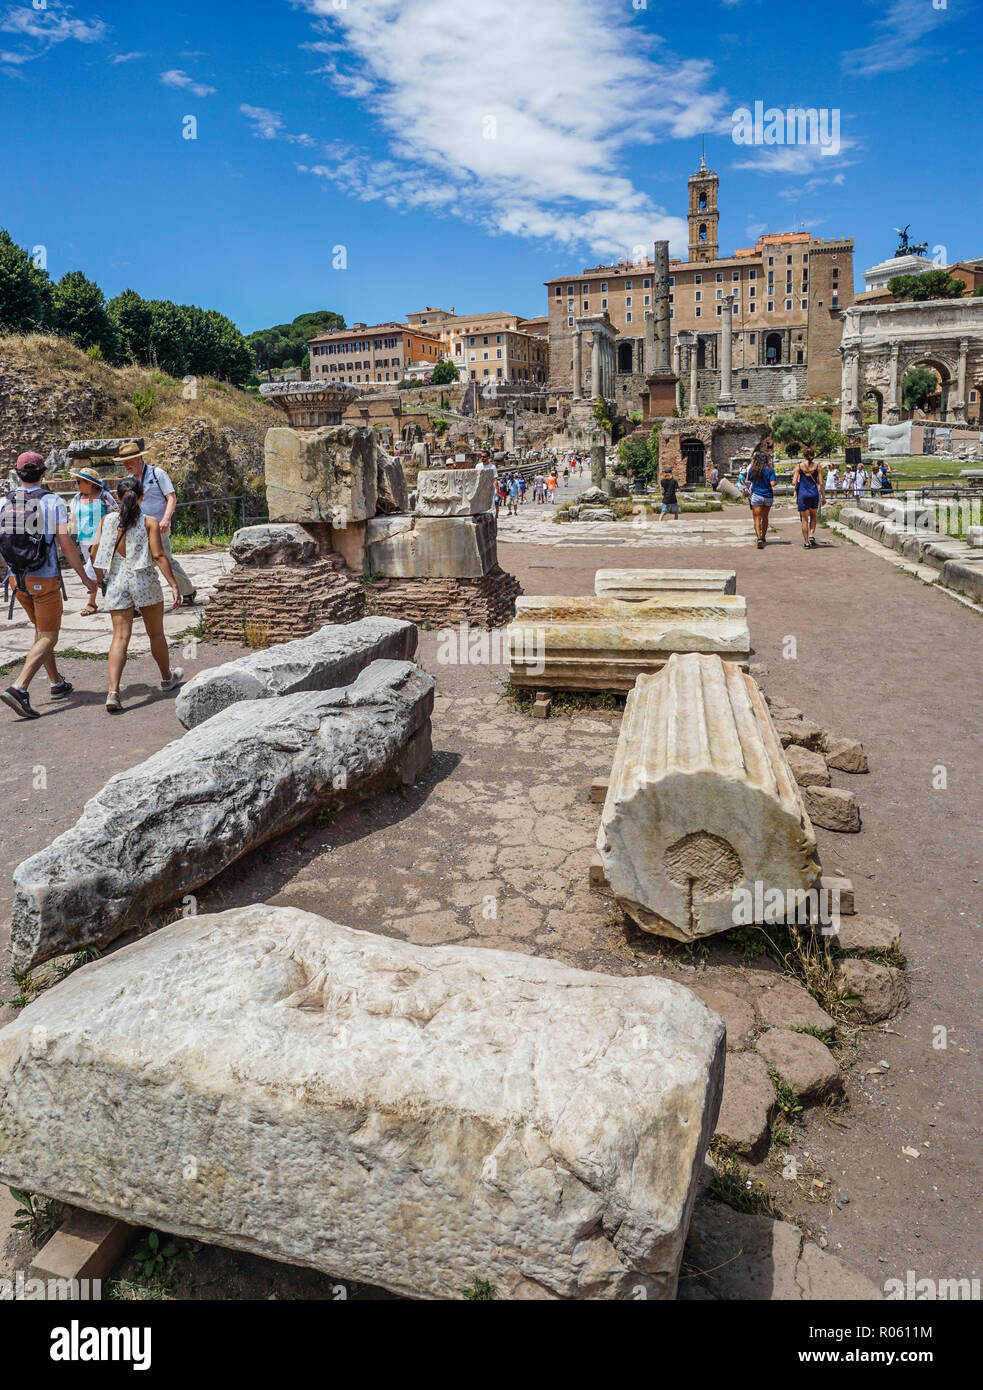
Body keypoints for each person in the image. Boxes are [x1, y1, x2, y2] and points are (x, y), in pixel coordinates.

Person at [1, 451, 98, 720]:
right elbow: (65, 544)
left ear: (18, 474)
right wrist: (84, 577)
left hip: (15, 579)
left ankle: (56, 682)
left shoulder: (3, 501)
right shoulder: (52, 501)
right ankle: (19, 688)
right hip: (43, 578)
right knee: (50, 635)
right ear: (44, 474)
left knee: (41, 631)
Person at [91, 475, 184, 713]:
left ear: (118, 497)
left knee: (120, 637)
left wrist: (101, 578)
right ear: (141, 497)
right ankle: (166, 678)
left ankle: (113, 692)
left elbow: (94, 551)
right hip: (143, 581)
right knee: (155, 634)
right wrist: (174, 584)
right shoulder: (149, 522)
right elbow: (159, 556)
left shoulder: (107, 520)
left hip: (118, 583)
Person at [117, 441, 196, 606]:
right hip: (139, 527)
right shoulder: (130, 481)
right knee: (138, 561)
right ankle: (139, 599)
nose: (126, 465)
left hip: (159, 526)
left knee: (165, 559)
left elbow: (171, 498)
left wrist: (166, 519)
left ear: (138, 458)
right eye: (123, 462)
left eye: (129, 461)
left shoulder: (157, 474)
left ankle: (187, 590)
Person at [69, 466, 118, 615]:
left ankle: (91, 601)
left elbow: (115, 514)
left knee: (93, 568)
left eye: (79, 481)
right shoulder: (77, 498)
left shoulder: (104, 496)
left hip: (103, 539)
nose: (76, 485)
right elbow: (73, 518)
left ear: (89, 483)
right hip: (84, 539)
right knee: (99, 570)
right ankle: (110, 599)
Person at [792, 447, 825, 549]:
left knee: (804, 519)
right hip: (814, 494)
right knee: (813, 517)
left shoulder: (799, 466)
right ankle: (811, 535)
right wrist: (824, 497)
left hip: (803, 494)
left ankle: (806, 542)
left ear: (804, 455)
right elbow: (821, 483)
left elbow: (794, 482)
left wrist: (799, 480)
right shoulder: (817, 466)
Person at [747, 443, 777, 549]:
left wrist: (752, 463)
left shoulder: (753, 470)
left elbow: (748, 480)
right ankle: (764, 536)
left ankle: (759, 538)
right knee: (765, 517)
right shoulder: (770, 470)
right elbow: (773, 483)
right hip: (768, 495)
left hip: (757, 495)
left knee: (756, 518)